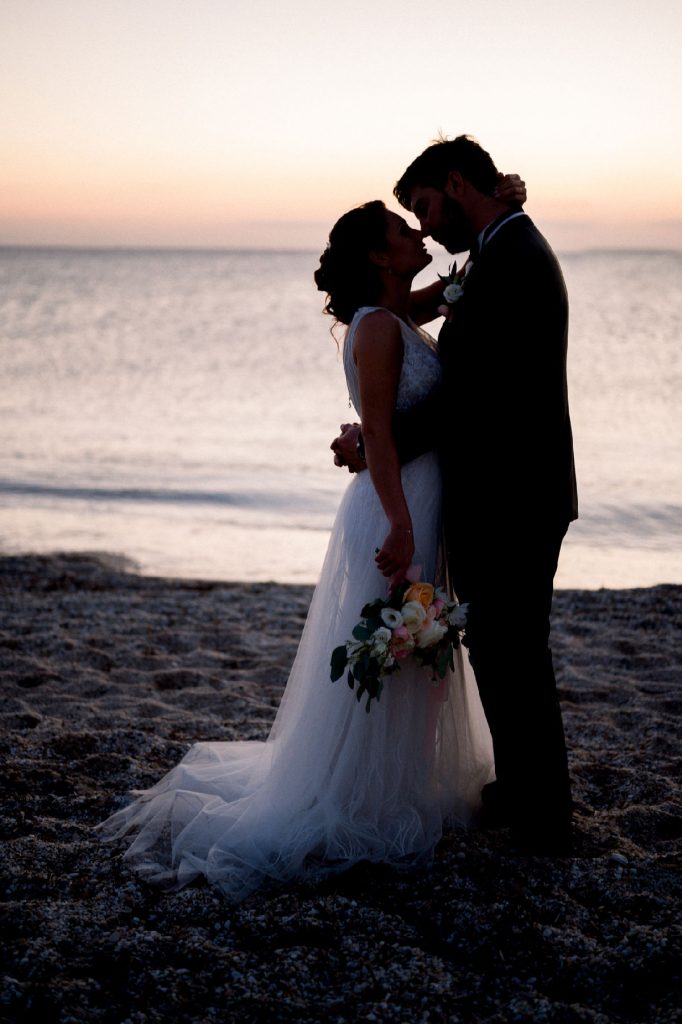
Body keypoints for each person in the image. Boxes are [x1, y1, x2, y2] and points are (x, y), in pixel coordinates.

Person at [98, 194, 529, 900]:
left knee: (411, 649)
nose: (417, 232)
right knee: (395, 647)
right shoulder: (377, 328)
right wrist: (400, 525)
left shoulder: (394, 315)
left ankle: (398, 783)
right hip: (396, 506)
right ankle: (364, 795)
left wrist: (478, 258)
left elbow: (443, 298)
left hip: (417, 500)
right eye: (402, 229)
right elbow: (380, 433)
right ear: (378, 255)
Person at [332, 136, 578, 855]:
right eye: (408, 220)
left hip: (514, 494)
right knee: (500, 648)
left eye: (425, 206)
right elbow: (406, 331)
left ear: (457, 184)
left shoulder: (513, 259)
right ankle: (522, 790)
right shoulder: (493, 254)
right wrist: (373, 437)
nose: (425, 227)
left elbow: (466, 396)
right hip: (499, 490)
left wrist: (371, 445)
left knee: (515, 650)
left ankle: (543, 814)